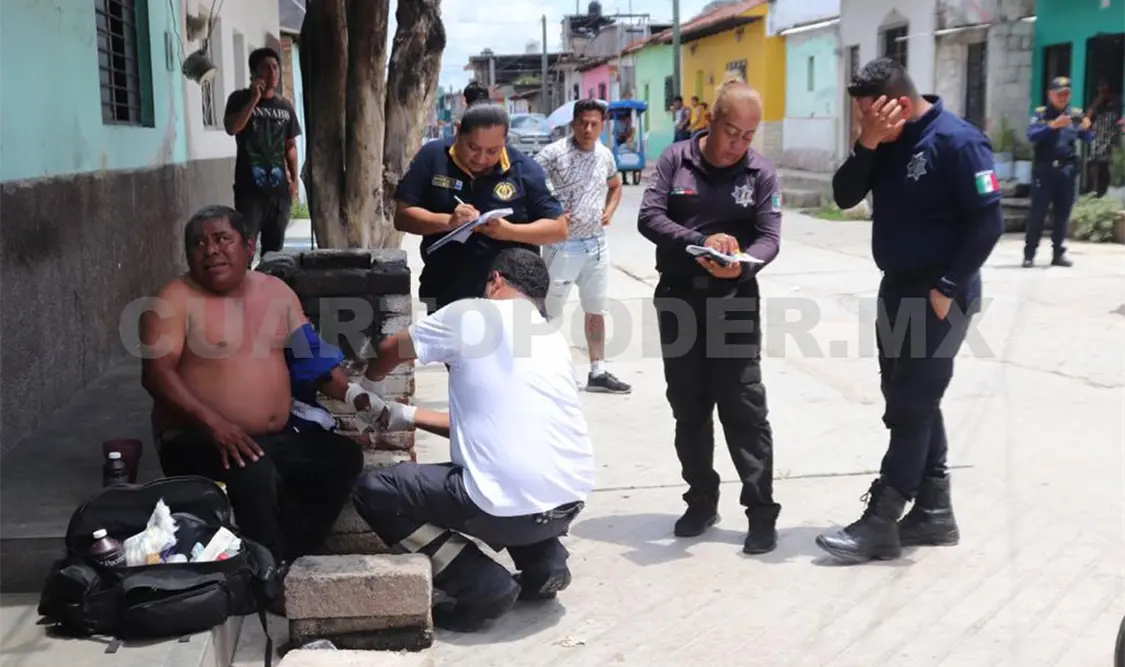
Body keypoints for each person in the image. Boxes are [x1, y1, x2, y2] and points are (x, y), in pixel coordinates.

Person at [817, 58, 1004, 564]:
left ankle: (883, 519)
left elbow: (988, 223)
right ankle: (935, 511)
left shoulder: (958, 141)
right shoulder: (884, 140)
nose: (862, 120)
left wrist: (948, 285)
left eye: (866, 111)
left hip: (940, 293)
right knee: (907, 398)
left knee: (911, 406)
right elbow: (844, 194)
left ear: (896, 102)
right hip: (896, 289)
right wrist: (867, 142)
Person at [351, 248, 594, 631]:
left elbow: (390, 349)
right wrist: (406, 415)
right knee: (510, 477)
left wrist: (368, 387)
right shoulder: (550, 338)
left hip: (506, 504)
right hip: (566, 502)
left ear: (496, 280)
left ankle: (480, 585)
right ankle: (544, 564)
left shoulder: (470, 313)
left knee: (375, 490)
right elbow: (491, 426)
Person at [140, 205, 366, 567]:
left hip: (269, 437)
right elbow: (156, 375)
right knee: (254, 471)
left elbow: (312, 361)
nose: (210, 249)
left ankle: (287, 556)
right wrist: (215, 425)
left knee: (341, 458)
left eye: (221, 239)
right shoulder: (173, 299)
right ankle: (265, 572)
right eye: (198, 243)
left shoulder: (276, 292)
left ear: (249, 246)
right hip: (196, 436)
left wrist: (361, 397)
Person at [638, 80, 783, 555]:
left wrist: (737, 255)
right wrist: (695, 242)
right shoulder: (676, 160)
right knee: (689, 404)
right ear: (711, 122)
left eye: (748, 134)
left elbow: (770, 237)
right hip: (679, 296)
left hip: (735, 300)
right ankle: (701, 497)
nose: (738, 143)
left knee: (744, 406)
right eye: (731, 131)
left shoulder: (760, 173)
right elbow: (650, 217)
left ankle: (761, 511)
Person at [393, 102, 567, 314]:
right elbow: (402, 216)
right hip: (446, 293)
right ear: (458, 132)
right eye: (473, 148)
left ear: (505, 141)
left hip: (510, 298)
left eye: (493, 151)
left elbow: (559, 228)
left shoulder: (524, 169)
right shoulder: (433, 157)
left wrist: (508, 231)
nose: (481, 158)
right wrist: (448, 222)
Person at [535, 99, 630, 394]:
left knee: (596, 309)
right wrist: (549, 211)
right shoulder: (553, 153)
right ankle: (543, 371)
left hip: (596, 246)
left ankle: (597, 371)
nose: (588, 130)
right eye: (583, 123)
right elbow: (529, 182)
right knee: (549, 312)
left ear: (602, 125)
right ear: (573, 123)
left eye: (594, 124)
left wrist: (610, 211)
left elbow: (615, 185)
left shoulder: (605, 155)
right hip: (562, 245)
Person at [224, 48, 302, 255]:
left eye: (275, 67)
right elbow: (232, 128)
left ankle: (268, 286)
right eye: (266, 67)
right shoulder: (239, 99)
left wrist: (294, 181)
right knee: (245, 249)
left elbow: (290, 146)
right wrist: (253, 99)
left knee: (274, 253)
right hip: (249, 192)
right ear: (254, 72)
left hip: (279, 194)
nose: (272, 72)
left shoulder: (285, 106)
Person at [1022, 76, 1094, 268]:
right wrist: (1052, 125)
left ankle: (1058, 254)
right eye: (1059, 94)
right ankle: (1029, 254)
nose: (1063, 97)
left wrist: (1088, 128)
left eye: (1066, 94)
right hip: (1045, 170)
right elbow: (1031, 135)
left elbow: (1087, 137)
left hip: (1067, 170)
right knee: (1038, 213)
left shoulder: (1075, 114)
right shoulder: (1041, 114)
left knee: (1062, 214)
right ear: (1050, 95)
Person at [1086, 77, 1121, 198]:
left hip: (1111, 136)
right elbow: (1088, 116)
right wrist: (1099, 101)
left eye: (1105, 85)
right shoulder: (1097, 101)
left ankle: (1104, 189)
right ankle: (1094, 189)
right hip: (1098, 135)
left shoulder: (1116, 100)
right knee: (1094, 161)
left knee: (1108, 164)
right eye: (1100, 86)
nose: (1102, 88)